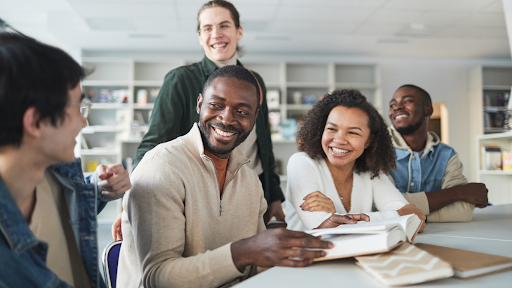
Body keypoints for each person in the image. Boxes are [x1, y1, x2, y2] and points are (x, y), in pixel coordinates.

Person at [117, 65, 369, 288]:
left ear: (255, 118)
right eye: (216, 105)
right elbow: (158, 278)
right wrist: (242, 253)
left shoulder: (249, 181)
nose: (227, 119)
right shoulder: (161, 167)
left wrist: (318, 236)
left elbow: (257, 266)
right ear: (199, 104)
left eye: (242, 111)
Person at [133, 0, 285, 222]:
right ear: (199, 36)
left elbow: (264, 145)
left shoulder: (255, 81)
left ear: (238, 31)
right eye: (207, 28)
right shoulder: (180, 80)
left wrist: (274, 198)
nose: (216, 34)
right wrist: (132, 199)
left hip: (254, 190)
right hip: (200, 193)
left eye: (224, 25)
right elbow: (154, 144)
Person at [0, 33, 131, 287]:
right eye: (77, 109)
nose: (84, 122)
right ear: (36, 122)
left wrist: (97, 189)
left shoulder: (53, 174)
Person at [285, 89, 425, 232]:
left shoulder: (370, 172)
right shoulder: (301, 163)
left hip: (358, 254)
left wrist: (336, 217)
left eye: (353, 132)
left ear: (368, 141)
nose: (339, 140)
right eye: (332, 129)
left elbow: (415, 221)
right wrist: (397, 215)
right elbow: (323, 228)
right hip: (305, 253)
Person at [388, 84, 488, 222]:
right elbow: (383, 206)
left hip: (439, 237)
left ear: (428, 110)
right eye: (392, 105)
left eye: (407, 101)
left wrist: (405, 215)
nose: (397, 107)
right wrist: (459, 192)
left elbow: (463, 211)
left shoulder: (447, 156)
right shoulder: (377, 151)